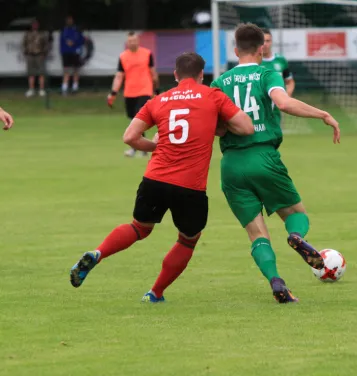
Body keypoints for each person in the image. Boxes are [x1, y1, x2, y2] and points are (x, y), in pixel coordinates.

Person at [69, 52, 254, 302]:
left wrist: (156, 146)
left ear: (175, 75)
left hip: (155, 179)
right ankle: (155, 293)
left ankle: (98, 253)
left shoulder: (159, 100)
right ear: (201, 75)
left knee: (138, 228)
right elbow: (246, 127)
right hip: (190, 186)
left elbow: (129, 137)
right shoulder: (212, 95)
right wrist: (217, 126)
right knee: (188, 240)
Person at [210, 23, 340, 303]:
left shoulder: (219, 83)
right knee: (296, 213)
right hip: (263, 157)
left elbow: (215, 127)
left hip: (230, 164)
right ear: (261, 49)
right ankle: (295, 236)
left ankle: (277, 281)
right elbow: (283, 103)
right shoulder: (267, 73)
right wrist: (322, 114)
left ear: (235, 50)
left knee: (256, 233)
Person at [107, 31, 160, 158]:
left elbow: (153, 73)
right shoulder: (123, 56)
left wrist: (156, 90)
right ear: (127, 43)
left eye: (134, 40)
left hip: (145, 91)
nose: (132, 43)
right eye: (130, 41)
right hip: (129, 92)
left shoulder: (147, 54)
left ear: (138, 41)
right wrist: (113, 93)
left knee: (139, 117)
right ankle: (140, 147)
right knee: (133, 119)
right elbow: (119, 76)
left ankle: (138, 148)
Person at [261, 29, 295, 96]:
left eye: (267, 41)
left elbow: (290, 82)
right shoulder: (254, 62)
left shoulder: (281, 60)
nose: (265, 44)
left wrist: (286, 97)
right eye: (262, 41)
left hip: (279, 103)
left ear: (271, 42)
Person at [22, 19, 49, 97]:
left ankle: (41, 90)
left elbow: (46, 44)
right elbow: (24, 44)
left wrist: (44, 53)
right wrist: (26, 52)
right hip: (30, 55)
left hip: (39, 55)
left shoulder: (42, 34)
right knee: (31, 73)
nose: (35, 26)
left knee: (41, 73)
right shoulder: (27, 34)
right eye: (33, 24)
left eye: (36, 24)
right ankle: (31, 89)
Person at [60, 16, 84, 95]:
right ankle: (64, 88)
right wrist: (63, 51)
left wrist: (77, 47)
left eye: (71, 20)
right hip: (66, 53)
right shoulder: (64, 30)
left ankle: (75, 87)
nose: (69, 21)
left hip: (75, 53)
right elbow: (61, 42)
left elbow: (81, 40)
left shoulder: (77, 30)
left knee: (76, 70)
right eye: (68, 20)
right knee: (66, 70)